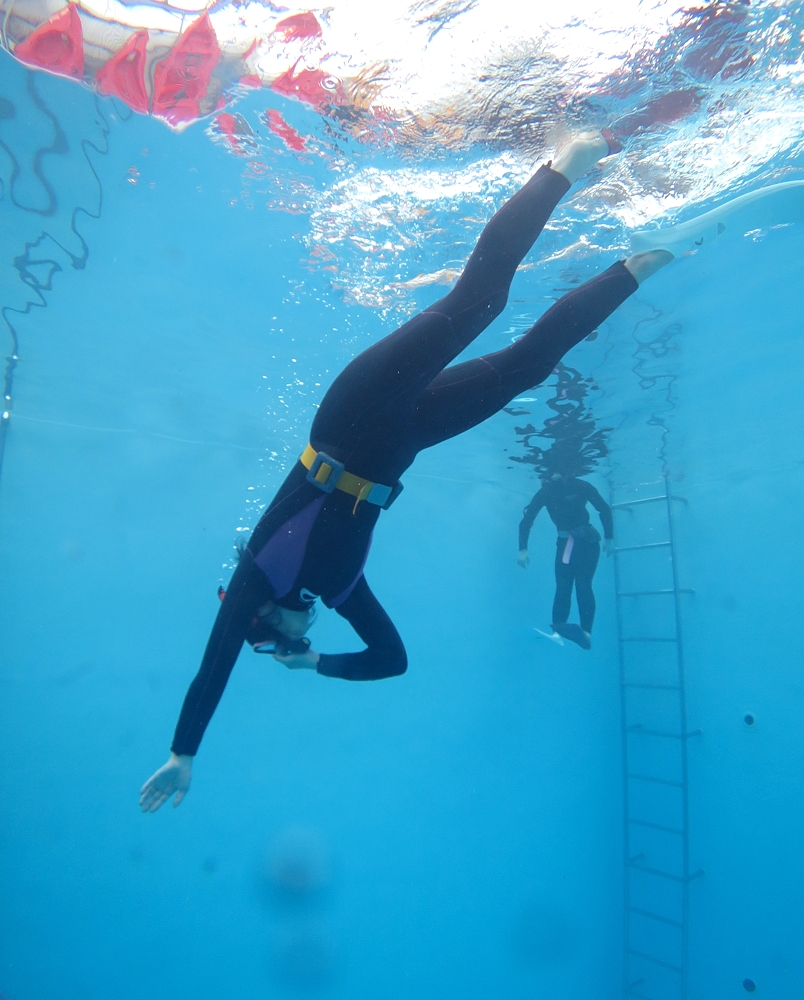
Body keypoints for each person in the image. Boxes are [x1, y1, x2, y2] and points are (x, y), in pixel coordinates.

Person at [140, 133, 673, 811]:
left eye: (281, 649)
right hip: (404, 441)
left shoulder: (256, 579)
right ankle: (636, 268)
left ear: (267, 624)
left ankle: (562, 168)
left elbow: (211, 669)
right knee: (527, 368)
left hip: (346, 418)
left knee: (478, 302)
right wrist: (320, 666)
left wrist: (183, 752)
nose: (293, 647)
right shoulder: (338, 591)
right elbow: (391, 660)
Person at [517, 471, 614, 650]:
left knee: (583, 584)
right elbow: (527, 519)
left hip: (587, 542)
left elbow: (603, 508)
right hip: (565, 545)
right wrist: (522, 548)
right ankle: (557, 631)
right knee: (562, 587)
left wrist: (609, 537)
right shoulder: (546, 492)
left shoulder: (580, 486)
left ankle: (585, 632)